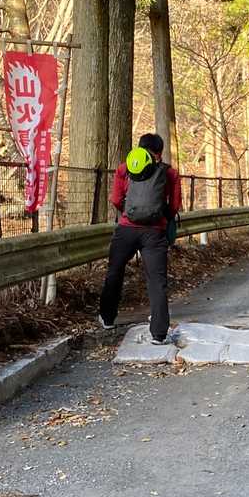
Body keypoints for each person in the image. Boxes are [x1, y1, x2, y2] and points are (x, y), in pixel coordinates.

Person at [97, 133, 182, 344]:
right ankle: (159, 334)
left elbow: (116, 199)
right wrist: (162, 218)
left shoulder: (124, 168)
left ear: (139, 148)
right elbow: (174, 206)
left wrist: (129, 212)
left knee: (115, 271)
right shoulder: (169, 172)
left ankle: (107, 318)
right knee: (157, 281)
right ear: (159, 153)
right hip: (154, 233)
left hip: (126, 229)